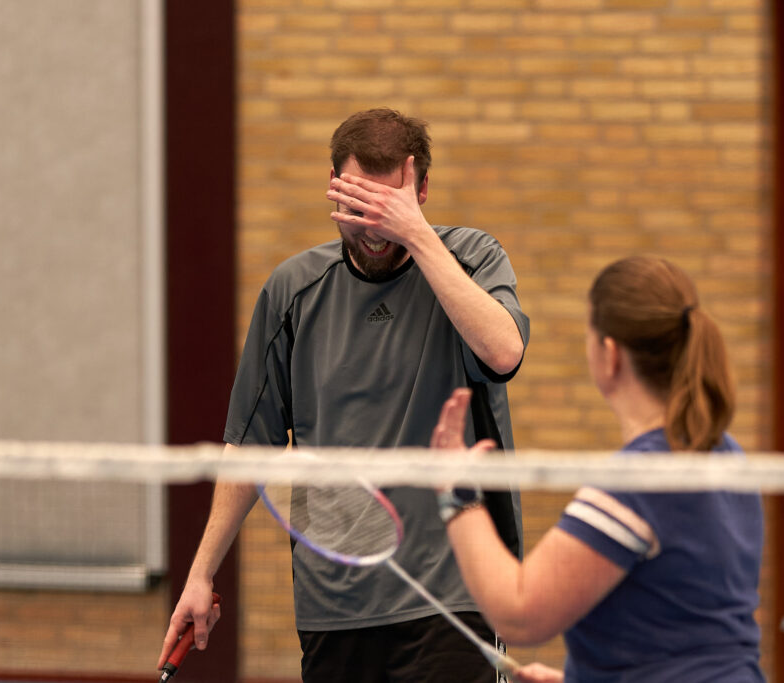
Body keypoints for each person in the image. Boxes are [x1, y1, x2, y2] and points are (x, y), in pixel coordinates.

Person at [158, 108, 530, 683]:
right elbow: (250, 446)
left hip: (455, 597)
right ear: (332, 186)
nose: (373, 228)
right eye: (358, 206)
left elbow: (503, 352)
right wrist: (201, 573)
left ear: (421, 190)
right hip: (334, 608)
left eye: (388, 205)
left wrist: (416, 235)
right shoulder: (293, 291)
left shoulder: (471, 258)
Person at [431, 256, 765, 683]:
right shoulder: (726, 454)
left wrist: (457, 494)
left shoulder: (636, 482)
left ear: (610, 355)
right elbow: (681, 623)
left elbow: (519, 615)